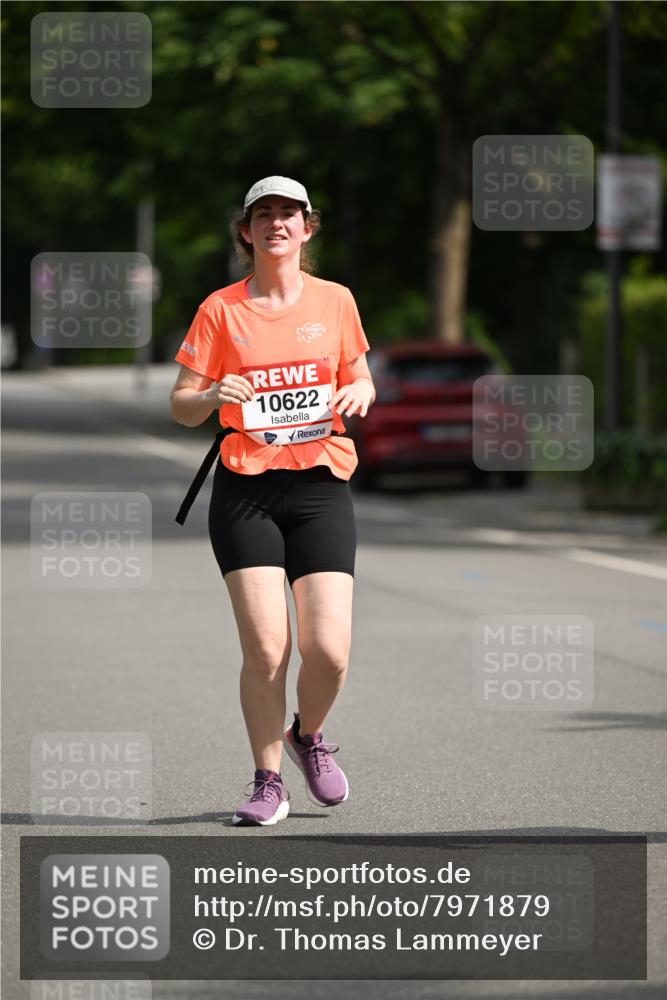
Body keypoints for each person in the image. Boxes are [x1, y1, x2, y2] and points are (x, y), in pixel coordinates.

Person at [170, 176, 375, 826]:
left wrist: (359, 394)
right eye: (263, 214)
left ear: (306, 228)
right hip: (245, 492)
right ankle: (267, 782)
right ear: (246, 231)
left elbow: (359, 375)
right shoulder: (221, 310)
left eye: (288, 213)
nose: (276, 223)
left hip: (319, 486)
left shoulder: (335, 301)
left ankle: (306, 735)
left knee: (329, 649)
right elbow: (180, 405)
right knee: (266, 648)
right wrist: (210, 398)